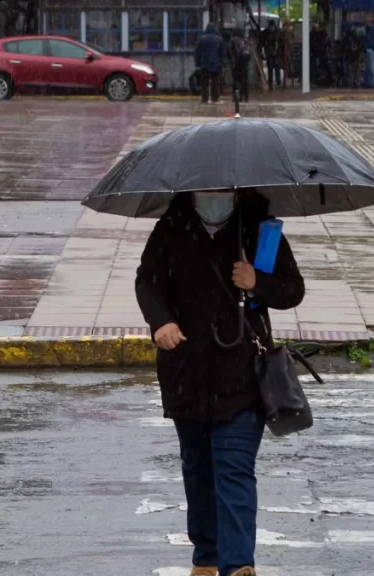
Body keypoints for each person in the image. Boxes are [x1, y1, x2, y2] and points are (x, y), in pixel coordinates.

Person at [136, 191, 304, 576]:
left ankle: (238, 564)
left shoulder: (261, 232)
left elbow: (293, 289)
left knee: (233, 469)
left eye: (223, 191)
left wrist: (256, 281)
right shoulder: (170, 228)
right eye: (206, 191)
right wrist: (161, 321)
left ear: (236, 190)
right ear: (192, 192)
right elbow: (147, 282)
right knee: (197, 469)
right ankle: (207, 556)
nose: (215, 198)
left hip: (243, 374)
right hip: (185, 371)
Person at [194, 23, 225, 103]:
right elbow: (222, 53)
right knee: (215, 82)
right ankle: (215, 98)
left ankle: (205, 98)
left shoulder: (202, 39)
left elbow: (197, 52)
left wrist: (197, 63)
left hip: (204, 64)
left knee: (205, 82)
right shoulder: (219, 39)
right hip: (216, 64)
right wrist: (221, 62)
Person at [228, 29, 251, 103]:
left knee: (236, 81)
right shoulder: (245, 40)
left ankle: (236, 97)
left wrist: (231, 60)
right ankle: (246, 97)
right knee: (244, 80)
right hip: (244, 63)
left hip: (236, 63)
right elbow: (248, 52)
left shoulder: (232, 40)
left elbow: (229, 50)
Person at [261, 20, 281, 90]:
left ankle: (276, 82)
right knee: (271, 68)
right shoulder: (267, 32)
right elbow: (263, 43)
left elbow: (279, 42)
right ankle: (272, 82)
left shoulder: (277, 32)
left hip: (275, 53)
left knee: (275, 68)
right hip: (270, 52)